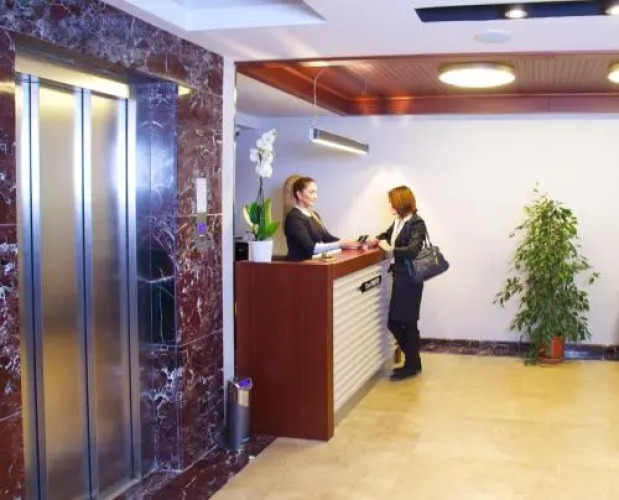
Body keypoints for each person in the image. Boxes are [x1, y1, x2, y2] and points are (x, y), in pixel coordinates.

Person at [367, 185, 427, 381]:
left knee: (404, 322)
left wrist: (390, 250)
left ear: (402, 203)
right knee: (402, 322)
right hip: (401, 276)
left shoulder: (416, 223)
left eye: (392, 203)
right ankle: (413, 362)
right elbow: (387, 235)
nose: (390, 206)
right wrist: (377, 239)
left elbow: (413, 250)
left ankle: (411, 364)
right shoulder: (399, 221)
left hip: (410, 279)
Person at [284, 176, 359, 261]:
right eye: (311, 192)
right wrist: (340, 244)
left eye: (316, 192)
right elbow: (311, 248)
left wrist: (353, 243)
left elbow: (328, 238)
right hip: (299, 266)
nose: (315, 196)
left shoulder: (314, 215)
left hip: (313, 264)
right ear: (299, 194)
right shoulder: (294, 218)